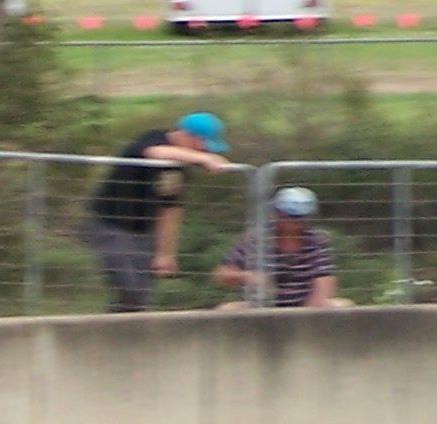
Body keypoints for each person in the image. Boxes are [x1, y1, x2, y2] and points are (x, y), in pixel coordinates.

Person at [84, 111, 239, 313]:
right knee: (129, 287)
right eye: (203, 144)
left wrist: (165, 254)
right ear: (189, 137)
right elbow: (155, 153)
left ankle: (121, 333)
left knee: (140, 294)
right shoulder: (155, 138)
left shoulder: (177, 170)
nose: (203, 150)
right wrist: (203, 158)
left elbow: (170, 210)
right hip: (111, 225)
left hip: (143, 233)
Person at [215, 186, 351, 309]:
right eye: (290, 217)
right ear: (277, 213)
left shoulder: (317, 241)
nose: (295, 223)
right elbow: (223, 274)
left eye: (301, 218)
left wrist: (308, 314)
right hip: (260, 307)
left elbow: (324, 281)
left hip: (305, 306)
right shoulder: (255, 239)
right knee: (226, 310)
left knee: (342, 306)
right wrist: (250, 277)